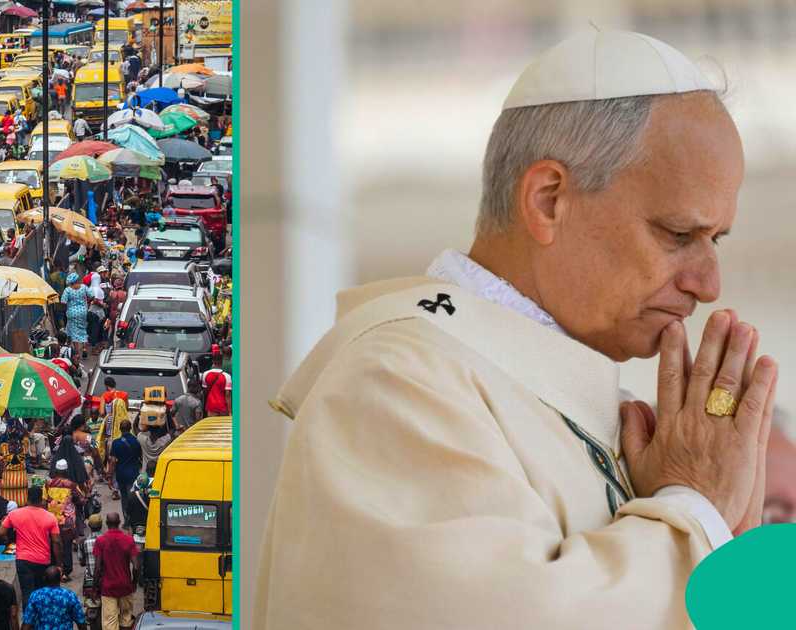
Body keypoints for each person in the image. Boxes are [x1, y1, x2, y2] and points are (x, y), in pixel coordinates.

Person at [256, 29, 780, 629]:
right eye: (678, 234)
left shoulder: (576, 405)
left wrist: (721, 541)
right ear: (550, 199)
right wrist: (692, 511)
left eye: (717, 240)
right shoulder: (399, 380)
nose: (709, 284)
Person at [0, 486, 63, 610]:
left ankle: (28, 622)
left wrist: (10, 539)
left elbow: (1, 532)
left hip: (23, 560)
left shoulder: (15, 514)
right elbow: (56, 541)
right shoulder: (50, 517)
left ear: (27, 499)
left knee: (27, 593)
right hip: (43, 560)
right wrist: (59, 564)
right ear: (41, 500)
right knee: (41, 592)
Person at [93, 512, 139, 630]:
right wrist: (134, 583)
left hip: (108, 588)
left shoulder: (101, 541)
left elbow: (97, 568)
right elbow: (136, 566)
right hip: (125, 586)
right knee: (126, 619)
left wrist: (94, 588)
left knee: (109, 622)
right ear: (119, 523)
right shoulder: (129, 540)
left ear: (106, 523)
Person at [45, 459, 85, 581]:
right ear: (66, 470)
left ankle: (54, 570)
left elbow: (44, 500)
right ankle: (65, 572)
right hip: (66, 521)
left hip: (51, 520)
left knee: (54, 544)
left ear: (56, 470)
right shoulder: (71, 485)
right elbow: (81, 500)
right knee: (66, 546)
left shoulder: (48, 484)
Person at [22, 566, 86, 630]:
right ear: (60, 578)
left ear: (44, 578)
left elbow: (27, 622)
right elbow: (80, 621)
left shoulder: (36, 595)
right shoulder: (69, 595)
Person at [108, 421, 141, 522]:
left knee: (124, 498)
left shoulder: (116, 443)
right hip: (133, 473)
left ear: (120, 429)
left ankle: (127, 519)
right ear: (130, 428)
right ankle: (134, 519)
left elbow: (113, 461)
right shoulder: (136, 441)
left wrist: (109, 476)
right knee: (133, 497)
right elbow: (140, 457)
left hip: (121, 474)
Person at [78, 513, 103, 626]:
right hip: (105, 578)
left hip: (89, 579)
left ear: (89, 526)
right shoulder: (105, 540)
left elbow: (82, 562)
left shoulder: (83, 542)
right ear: (101, 525)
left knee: (91, 604)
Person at [61, 273, 91, 359]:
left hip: (72, 313)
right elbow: (91, 295)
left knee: (74, 332)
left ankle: (77, 353)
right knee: (83, 329)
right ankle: (84, 349)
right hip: (83, 312)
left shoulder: (68, 290)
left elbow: (63, 302)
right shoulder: (84, 287)